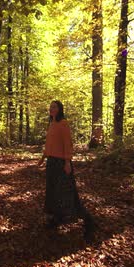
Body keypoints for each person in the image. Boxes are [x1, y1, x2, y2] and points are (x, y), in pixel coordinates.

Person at [37, 100, 96, 242]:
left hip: (61, 163)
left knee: (68, 194)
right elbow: (49, 144)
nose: (52, 109)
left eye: (54, 107)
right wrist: (43, 158)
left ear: (60, 109)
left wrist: (68, 161)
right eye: (50, 107)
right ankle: (56, 219)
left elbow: (67, 143)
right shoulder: (52, 123)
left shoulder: (63, 123)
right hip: (51, 162)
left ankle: (89, 223)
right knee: (53, 192)